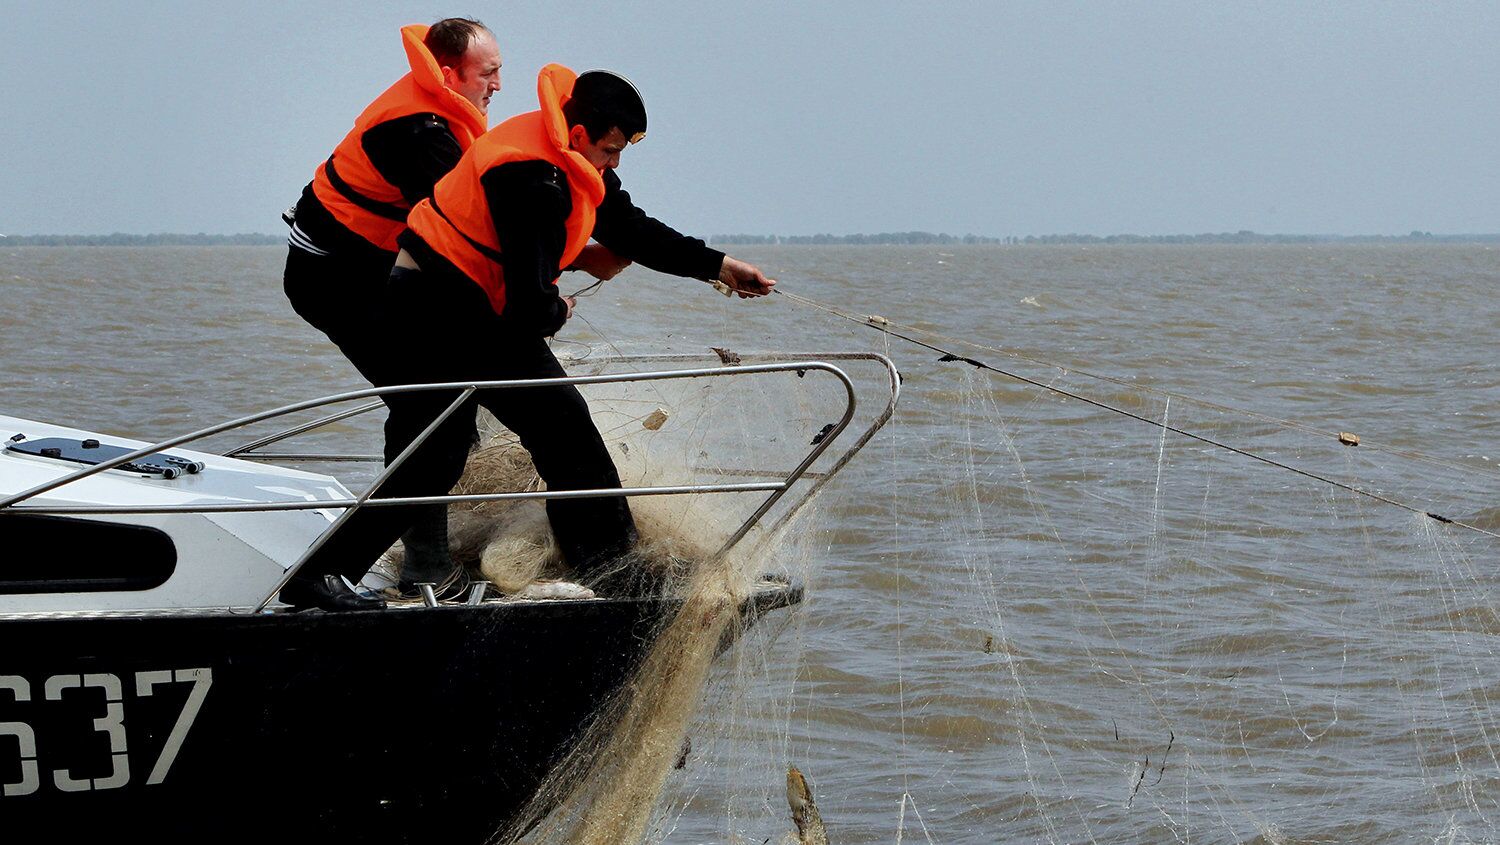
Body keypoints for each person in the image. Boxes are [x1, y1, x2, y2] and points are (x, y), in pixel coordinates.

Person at [280, 63, 774, 610]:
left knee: (445, 452)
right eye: (610, 152)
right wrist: (556, 308)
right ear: (581, 134)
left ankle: (323, 574)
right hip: (440, 308)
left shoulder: (569, 153)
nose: (612, 165)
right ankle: (614, 573)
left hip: (461, 305)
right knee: (559, 432)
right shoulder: (530, 179)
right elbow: (527, 303)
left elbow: (629, 226)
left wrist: (720, 266)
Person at [279, 20, 509, 610]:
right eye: (489, 73)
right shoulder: (419, 131)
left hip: (379, 279)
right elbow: (467, 231)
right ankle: (325, 573)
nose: (499, 86)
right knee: (440, 422)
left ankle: (424, 566)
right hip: (335, 282)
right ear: (451, 73)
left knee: (434, 413)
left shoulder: (440, 115)